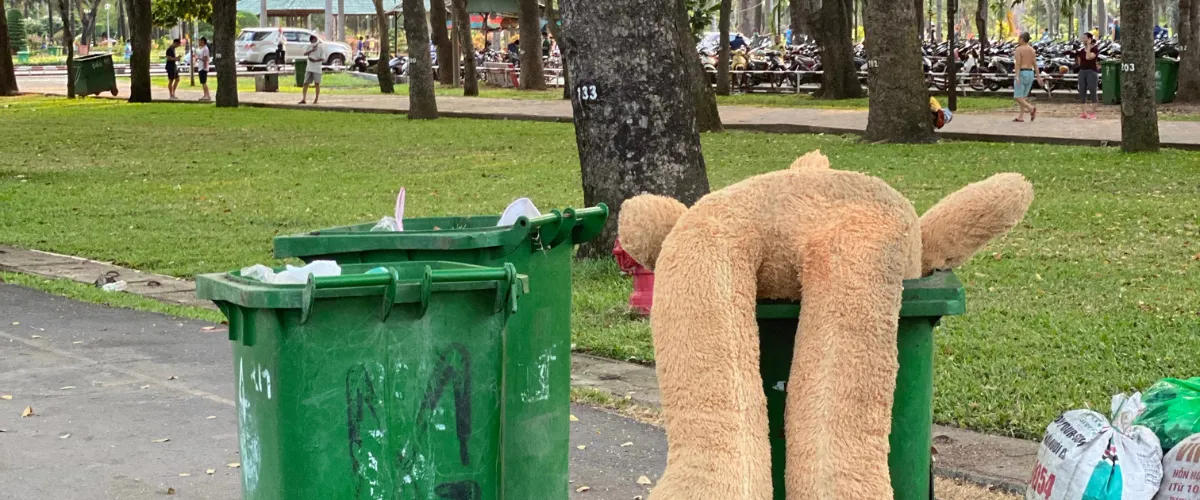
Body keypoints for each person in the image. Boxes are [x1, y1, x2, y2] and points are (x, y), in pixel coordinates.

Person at [1011, 32, 1041, 122]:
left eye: (1019, 38)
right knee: (1023, 97)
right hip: (1030, 73)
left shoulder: (1019, 49)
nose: (1018, 40)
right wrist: (1038, 77)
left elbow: (1018, 63)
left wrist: (1016, 75)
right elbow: (1035, 64)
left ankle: (1030, 108)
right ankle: (1021, 116)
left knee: (1017, 96)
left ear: (1022, 39)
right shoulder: (1032, 49)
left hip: (1022, 73)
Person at [1075, 32, 1099, 119]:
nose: (1083, 39)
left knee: (1092, 91)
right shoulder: (1081, 50)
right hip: (1082, 71)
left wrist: (1089, 46)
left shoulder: (1095, 49)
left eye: (1085, 38)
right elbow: (1080, 62)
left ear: (1089, 39)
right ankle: (1084, 112)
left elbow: (1088, 57)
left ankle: (1093, 113)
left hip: (1091, 72)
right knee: (1082, 91)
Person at [300, 35, 324, 105]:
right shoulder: (309, 46)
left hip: (317, 68)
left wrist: (315, 60)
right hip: (309, 67)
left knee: (317, 83)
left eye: (314, 40)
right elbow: (304, 53)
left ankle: (316, 99)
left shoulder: (321, 47)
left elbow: (323, 58)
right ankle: (304, 99)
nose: (313, 42)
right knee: (305, 83)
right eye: (311, 41)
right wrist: (311, 50)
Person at [195, 37, 211, 101]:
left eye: (200, 41)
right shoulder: (200, 49)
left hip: (203, 68)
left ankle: (207, 95)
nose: (199, 42)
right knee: (202, 82)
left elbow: (206, 59)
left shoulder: (205, 49)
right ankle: (205, 95)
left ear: (203, 42)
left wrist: (199, 58)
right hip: (200, 67)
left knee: (204, 82)